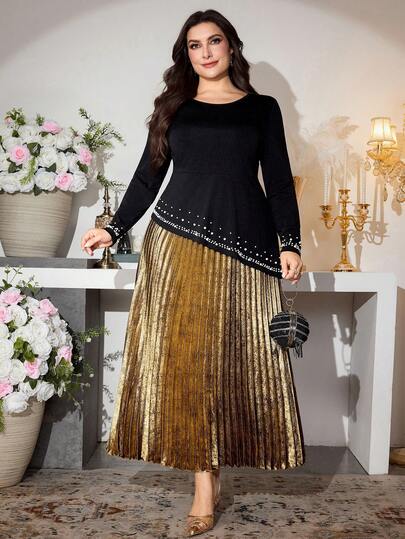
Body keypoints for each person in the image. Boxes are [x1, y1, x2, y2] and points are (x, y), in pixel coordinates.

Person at [81, 8, 304, 537]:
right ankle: (204, 483)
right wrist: (113, 227)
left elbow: (278, 178)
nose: (205, 52)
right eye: (195, 45)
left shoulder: (262, 109)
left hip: (246, 248)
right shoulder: (174, 108)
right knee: (191, 364)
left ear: (231, 47)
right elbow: (147, 177)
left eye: (214, 41)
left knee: (234, 363)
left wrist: (290, 242)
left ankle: (219, 468)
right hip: (177, 244)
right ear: (186, 54)